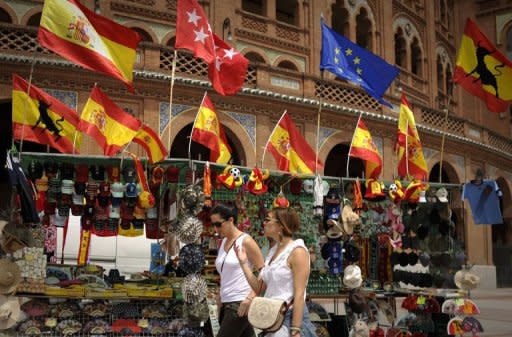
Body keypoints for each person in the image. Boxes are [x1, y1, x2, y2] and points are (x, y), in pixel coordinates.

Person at [235, 207, 318, 337]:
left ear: (281, 225)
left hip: (289, 317)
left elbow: (300, 294)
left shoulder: (297, 251)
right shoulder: (274, 251)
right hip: (272, 317)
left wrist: (295, 330)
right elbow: (260, 288)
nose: (265, 223)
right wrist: (243, 263)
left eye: (268, 220)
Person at [212, 204, 265, 337]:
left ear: (231, 220)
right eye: (213, 225)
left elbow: (264, 274)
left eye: (218, 224)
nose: (215, 229)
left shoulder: (246, 241)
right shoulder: (223, 242)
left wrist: (251, 297)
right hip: (227, 301)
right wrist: (220, 297)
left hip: (240, 302)